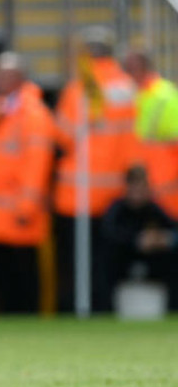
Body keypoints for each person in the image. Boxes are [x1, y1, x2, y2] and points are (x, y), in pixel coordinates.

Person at [53, 26, 137, 312]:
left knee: (77, 265)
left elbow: (62, 137)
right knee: (108, 260)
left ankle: (77, 308)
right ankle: (105, 308)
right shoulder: (127, 88)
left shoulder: (78, 89)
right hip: (116, 192)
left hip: (78, 193)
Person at [0, 52, 55, 313]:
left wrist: (27, 206)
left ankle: (30, 323)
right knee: (3, 278)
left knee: (25, 277)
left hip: (20, 213)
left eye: (3, 74)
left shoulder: (33, 114)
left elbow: (37, 163)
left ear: (19, 78)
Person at [102, 165, 177, 302]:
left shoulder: (153, 208)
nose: (138, 192)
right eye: (134, 186)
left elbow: (172, 229)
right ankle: (104, 308)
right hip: (122, 259)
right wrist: (136, 240)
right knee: (105, 263)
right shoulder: (117, 208)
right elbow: (110, 233)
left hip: (153, 259)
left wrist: (163, 239)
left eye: (142, 187)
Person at [125, 50, 178, 220]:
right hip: (142, 179)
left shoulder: (164, 95)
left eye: (129, 69)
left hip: (163, 180)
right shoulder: (134, 94)